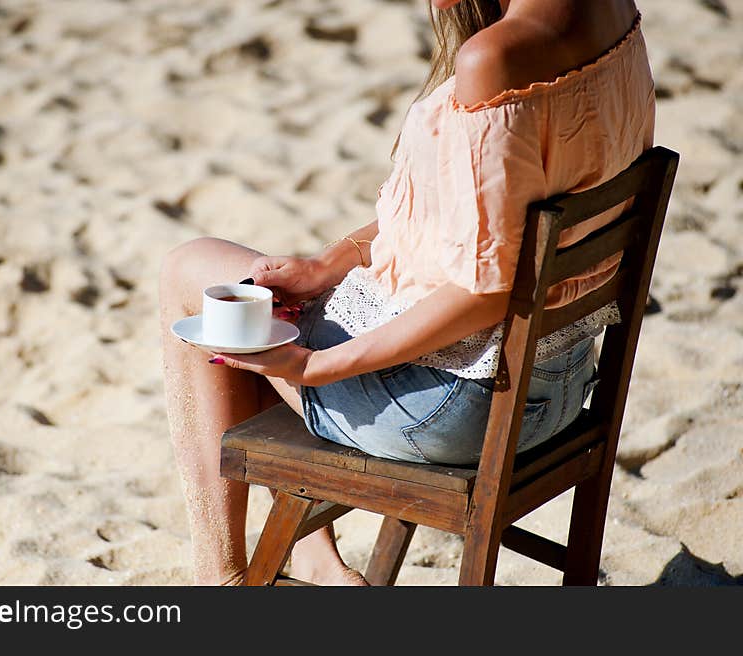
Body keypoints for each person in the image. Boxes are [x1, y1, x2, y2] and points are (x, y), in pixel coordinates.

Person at [158, 0, 654, 585]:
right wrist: (328, 264)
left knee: (191, 275)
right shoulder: (611, 11)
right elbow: (495, 232)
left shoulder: (493, 58)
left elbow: (485, 291)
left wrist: (316, 365)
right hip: (563, 389)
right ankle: (319, 562)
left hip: (461, 408)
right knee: (265, 305)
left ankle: (220, 578)